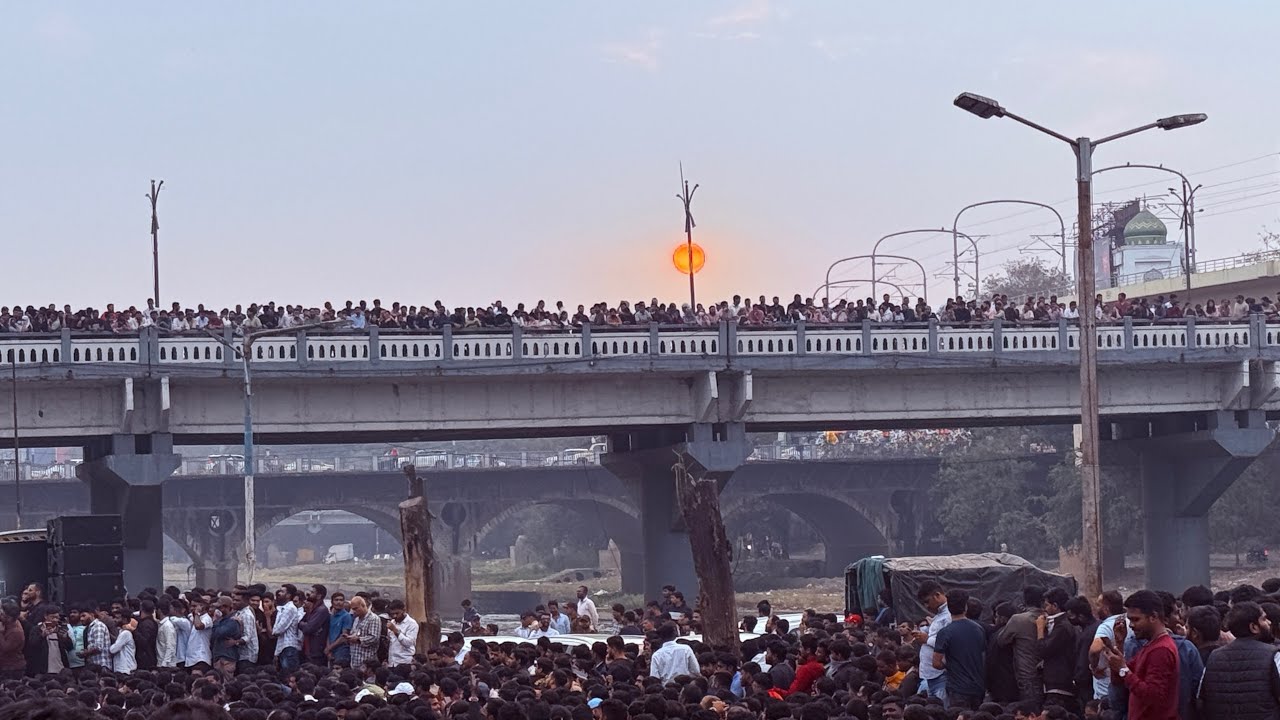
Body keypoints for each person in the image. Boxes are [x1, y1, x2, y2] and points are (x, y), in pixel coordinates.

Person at [1103, 590, 1178, 720]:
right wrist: (1119, 645)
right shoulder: (1151, 645)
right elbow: (1119, 680)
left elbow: (1153, 696)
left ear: (1153, 617)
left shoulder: (1161, 650)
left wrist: (1123, 670)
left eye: (1136, 620)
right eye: (1130, 620)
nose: (1131, 625)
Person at [1200, 601, 1280, 718]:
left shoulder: (1214, 657)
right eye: (1264, 619)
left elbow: (1202, 698)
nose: (1269, 622)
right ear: (1253, 627)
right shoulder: (1273, 655)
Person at [932, 589, 986, 710]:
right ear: (965, 607)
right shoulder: (979, 629)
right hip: (978, 686)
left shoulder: (945, 632)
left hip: (958, 688)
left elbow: (936, 663)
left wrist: (948, 664)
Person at [1039, 587, 1081, 713]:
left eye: (1047, 605)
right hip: (1057, 679)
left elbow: (1044, 650)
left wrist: (1039, 629)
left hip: (1059, 682)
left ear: (1055, 606)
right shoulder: (1059, 624)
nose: (1044, 609)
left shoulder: (1063, 626)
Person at [915, 580, 951, 702]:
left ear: (937, 595)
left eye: (927, 601)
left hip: (942, 674)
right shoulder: (939, 616)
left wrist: (927, 639)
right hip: (932, 675)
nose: (926, 606)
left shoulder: (949, 615)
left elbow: (950, 643)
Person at [386, 599, 418, 667]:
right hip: (392, 662)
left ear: (404, 610)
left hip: (404, 662)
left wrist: (395, 631)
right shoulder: (392, 622)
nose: (395, 616)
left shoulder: (412, 624)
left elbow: (408, 643)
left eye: (397, 613)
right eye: (392, 614)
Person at [326, 591, 354, 667]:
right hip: (331, 650)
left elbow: (344, 637)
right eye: (336, 600)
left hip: (341, 650)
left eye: (341, 600)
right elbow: (328, 633)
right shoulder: (331, 616)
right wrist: (328, 649)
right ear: (332, 602)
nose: (339, 602)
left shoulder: (346, 616)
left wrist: (329, 648)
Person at [0, 600, 25, 680]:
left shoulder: (16, 631)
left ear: (9, 618)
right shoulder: (6, 624)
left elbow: (5, 648)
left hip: (12, 668)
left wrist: (0, 633)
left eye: (2, 614)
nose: (0, 616)